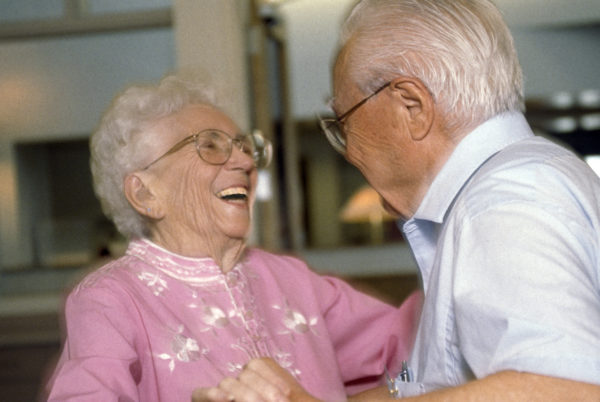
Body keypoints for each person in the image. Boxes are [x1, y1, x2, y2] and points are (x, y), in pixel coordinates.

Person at [198, 0, 600, 400]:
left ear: (412, 106)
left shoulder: (500, 203)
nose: (348, 150)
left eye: (344, 123)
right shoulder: (515, 183)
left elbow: (566, 391)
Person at [44, 73, 422, 401]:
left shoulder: (288, 277)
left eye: (245, 147)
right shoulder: (110, 299)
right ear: (145, 194)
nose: (244, 162)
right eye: (209, 145)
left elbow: (420, 347)